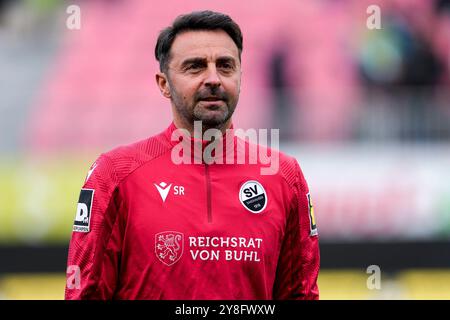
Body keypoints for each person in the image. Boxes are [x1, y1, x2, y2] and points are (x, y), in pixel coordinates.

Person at [65, 10, 319, 300]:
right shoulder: (115, 173)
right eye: (195, 67)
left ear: (241, 77)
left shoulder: (285, 177)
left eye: (225, 66)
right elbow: (86, 293)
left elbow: (301, 294)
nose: (213, 79)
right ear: (164, 84)